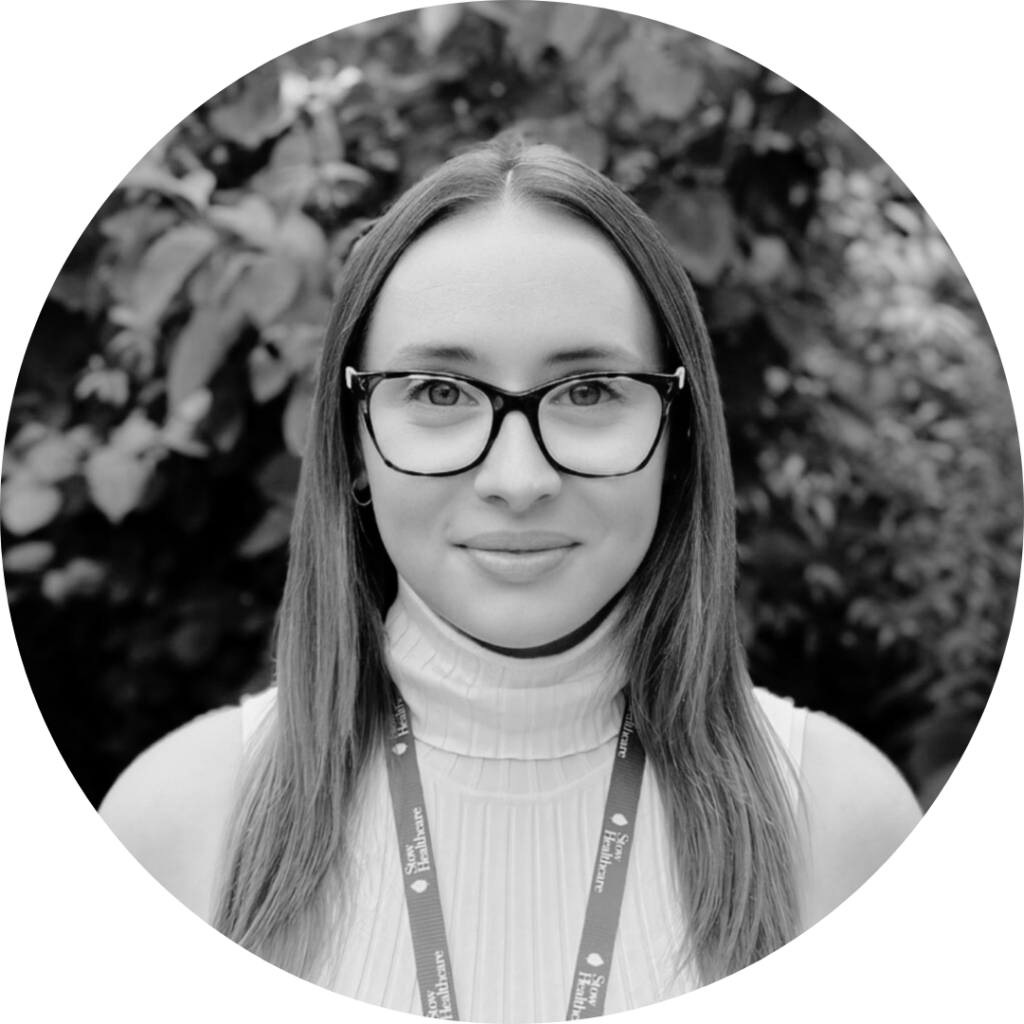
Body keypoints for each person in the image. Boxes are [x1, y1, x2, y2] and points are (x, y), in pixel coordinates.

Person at [98, 133, 923, 1018]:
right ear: (354, 444)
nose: (519, 480)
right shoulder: (181, 822)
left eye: (590, 391)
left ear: (678, 440)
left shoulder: (836, 821)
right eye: (440, 392)